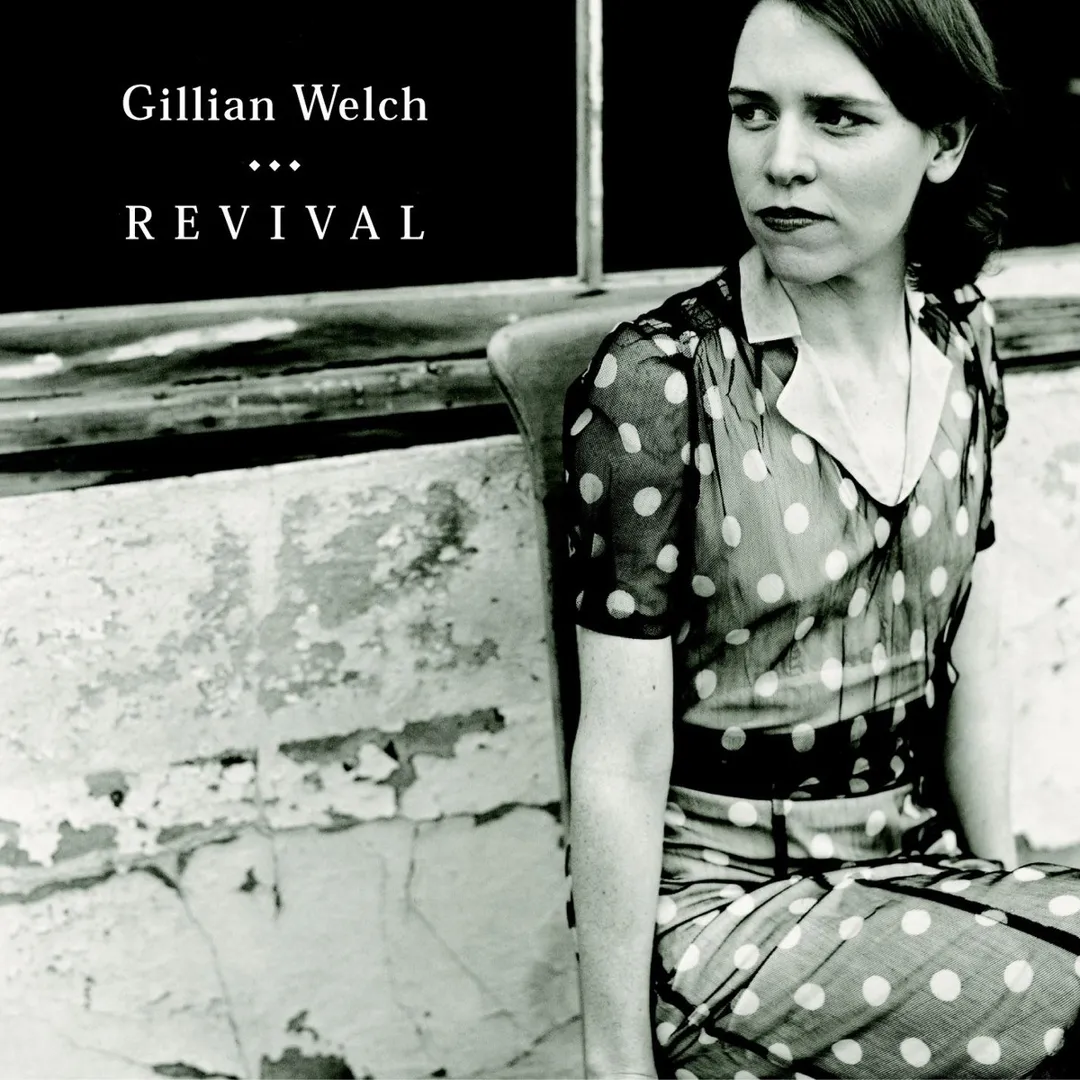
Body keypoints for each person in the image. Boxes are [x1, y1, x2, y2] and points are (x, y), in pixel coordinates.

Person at [562, 1, 1080, 1077]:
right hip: (724, 925)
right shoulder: (661, 383)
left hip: (916, 889)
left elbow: (973, 654)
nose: (780, 160)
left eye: (836, 118)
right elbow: (619, 757)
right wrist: (616, 1066)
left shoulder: (961, 336)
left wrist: (1005, 904)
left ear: (944, 142)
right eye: (752, 112)